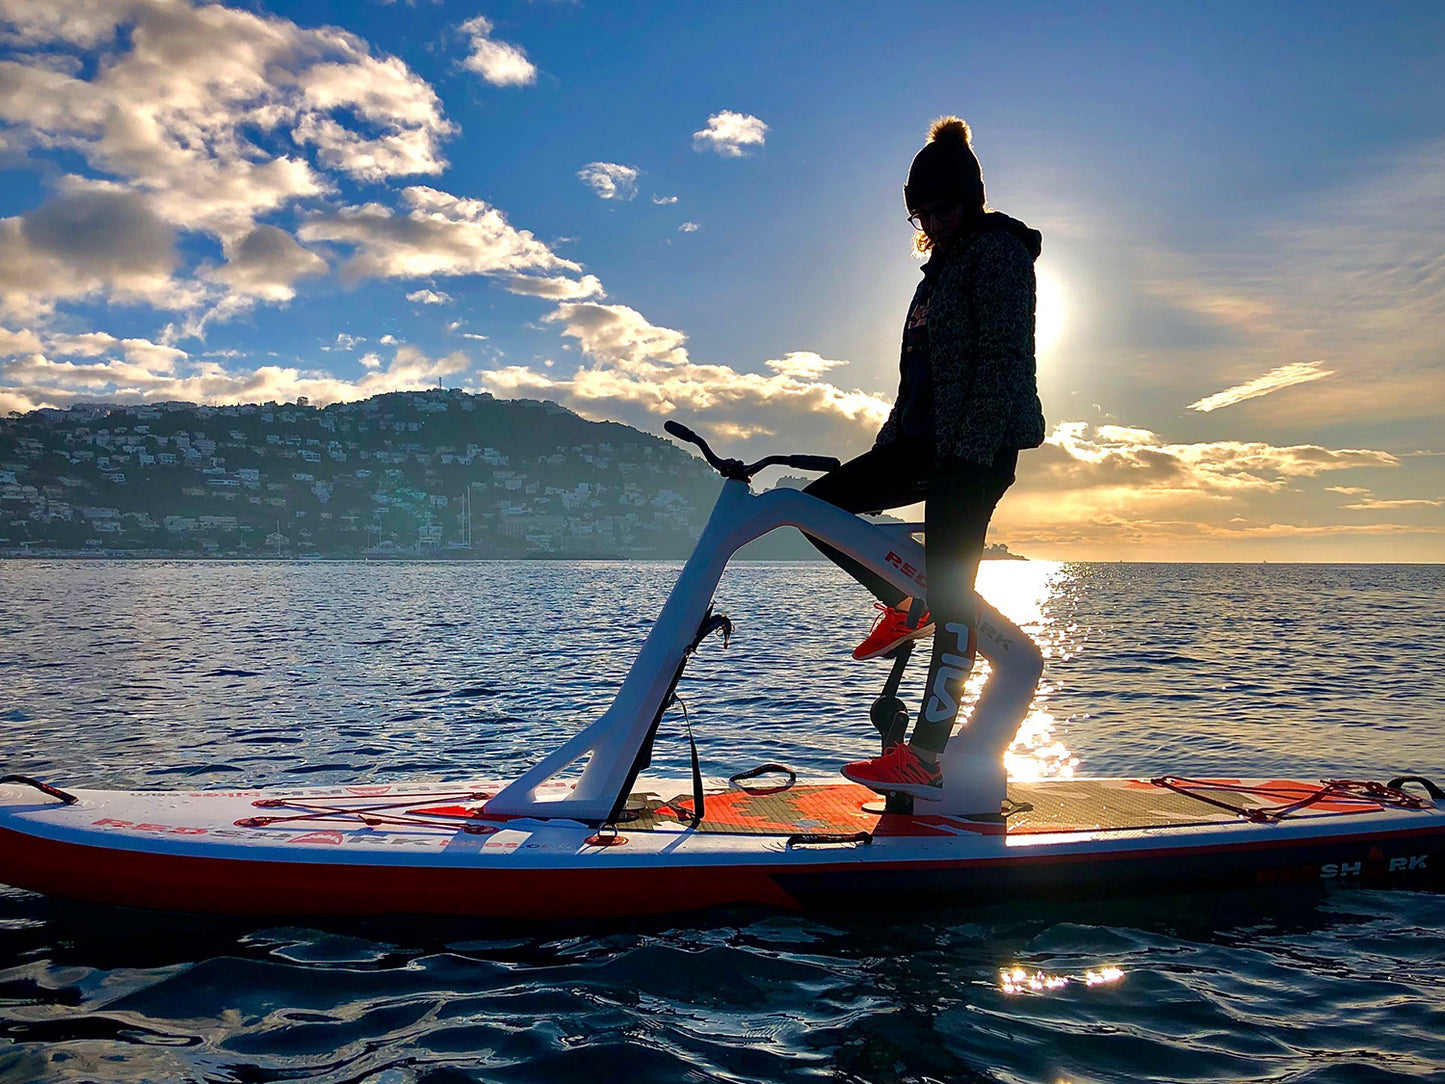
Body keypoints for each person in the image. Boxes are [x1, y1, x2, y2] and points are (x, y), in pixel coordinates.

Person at [803, 116, 1045, 799]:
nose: (932, 222)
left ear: (970, 199)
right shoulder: (937, 268)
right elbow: (918, 377)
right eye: (920, 212)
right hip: (919, 443)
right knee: (812, 507)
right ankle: (905, 601)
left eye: (941, 208)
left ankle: (926, 754)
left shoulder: (996, 253)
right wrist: (890, 446)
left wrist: (965, 458)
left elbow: (1003, 359)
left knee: (952, 593)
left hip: (973, 449)